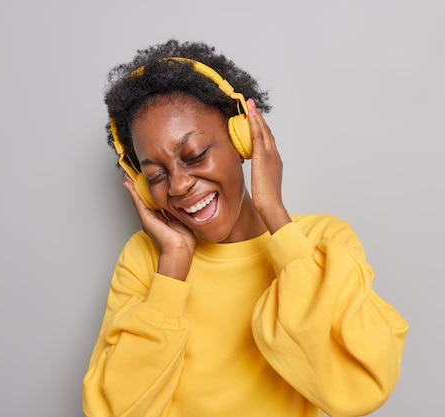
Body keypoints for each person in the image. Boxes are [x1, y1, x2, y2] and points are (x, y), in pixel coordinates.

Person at [83, 39, 409, 417]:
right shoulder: (146, 259)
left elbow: (361, 387)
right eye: (156, 175)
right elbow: (115, 411)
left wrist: (275, 215)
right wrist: (173, 266)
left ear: (243, 138)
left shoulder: (322, 243)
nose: (178, 186)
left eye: (195, 155)